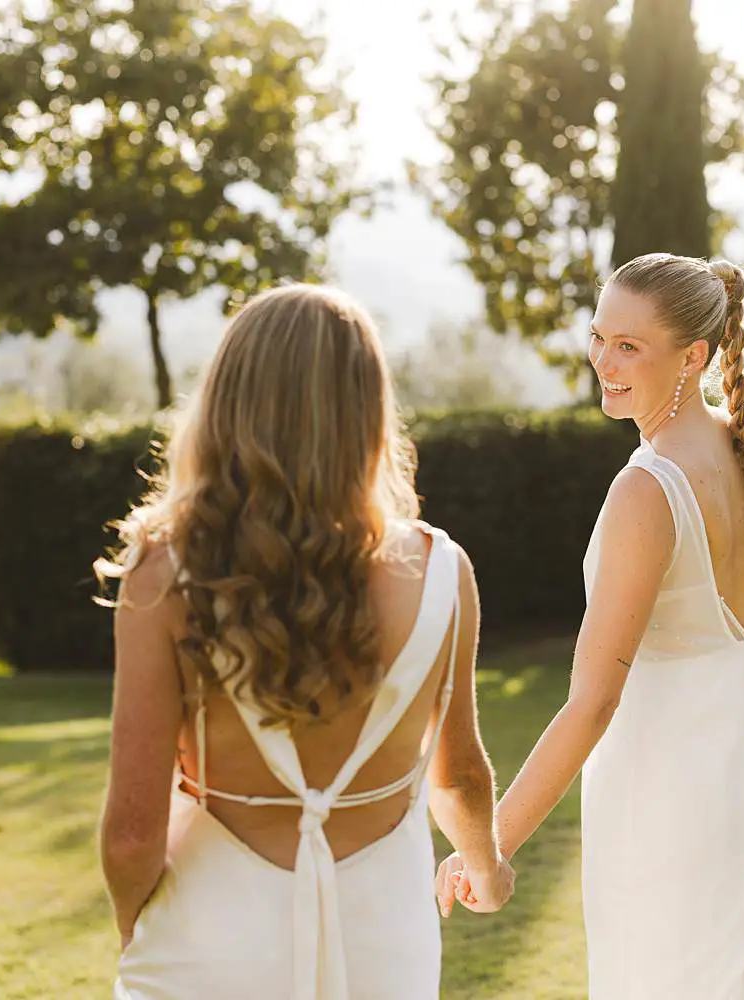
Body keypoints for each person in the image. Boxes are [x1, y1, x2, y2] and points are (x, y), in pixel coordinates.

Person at [96, 283, 514, 1000]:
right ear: (368, 409)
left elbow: (133, 833)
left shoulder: (167, 574)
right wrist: (489, 870)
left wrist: (138, 926)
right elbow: (459, 778)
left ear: (226, 402)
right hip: (383, 941)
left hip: (212, 939)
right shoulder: (442, 571)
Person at [440, 254, 744, 999]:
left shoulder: (648, 487)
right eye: (599, 336)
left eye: (629, 346)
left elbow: (592, 701)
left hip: (672, 787)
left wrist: (491, 848)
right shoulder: (739, 445)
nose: (603, 362)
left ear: (694, 357)